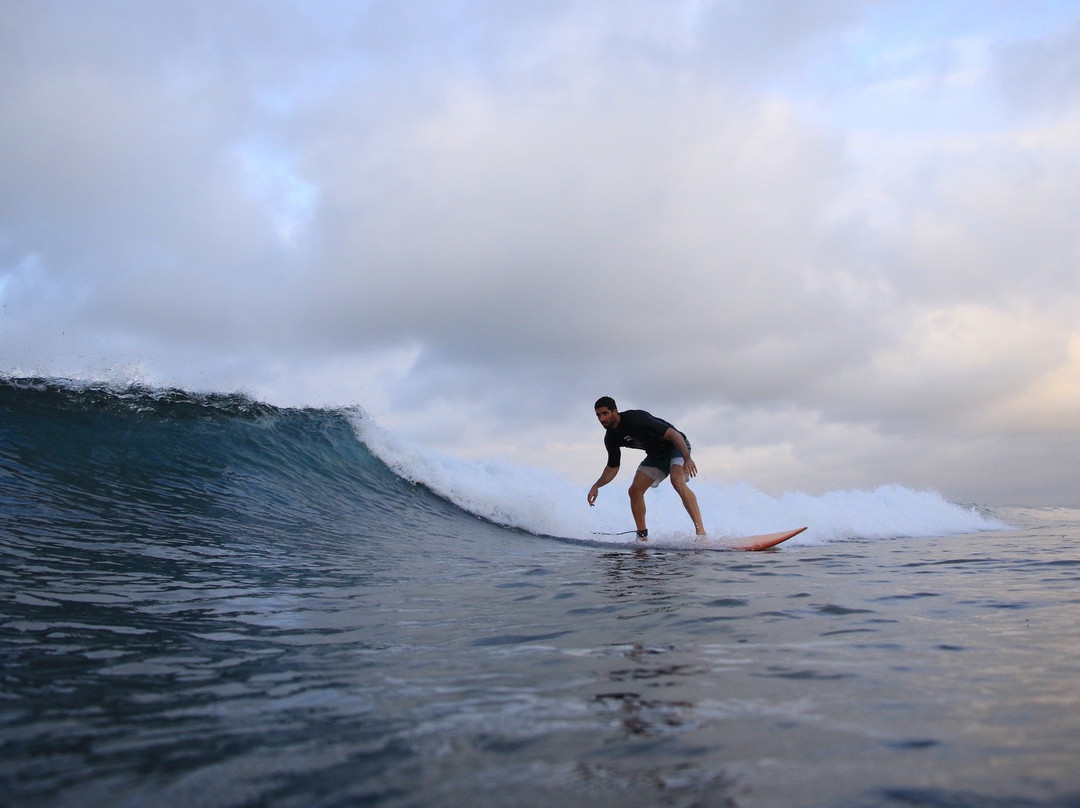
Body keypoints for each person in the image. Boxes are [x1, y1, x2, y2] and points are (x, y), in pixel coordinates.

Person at [587, 396, 706, 539]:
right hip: (656, 456)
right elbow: (613, 467)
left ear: (615, 411)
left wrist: (687, 458)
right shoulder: (611, 437)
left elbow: (673, 434)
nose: (602, 419)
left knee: (677, 481)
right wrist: (597, 485)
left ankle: (701, 534)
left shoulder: (636, 419)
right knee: (634, 490)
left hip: (677, 447)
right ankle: (642, 537)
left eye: (605, 413)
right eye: (598, 415)